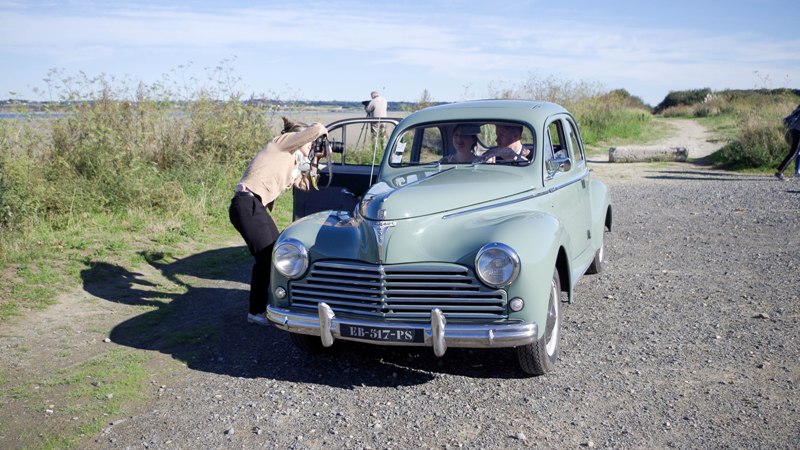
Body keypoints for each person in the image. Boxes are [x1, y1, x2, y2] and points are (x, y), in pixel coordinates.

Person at [229, 117, 327, 325]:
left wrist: (316, 159)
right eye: (308, 142)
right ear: (297, 138)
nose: (310, 145)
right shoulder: (280, 144)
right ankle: (256, 311)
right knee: (266, 256)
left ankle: (268, 304)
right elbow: (317, 128)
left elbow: (305, 184)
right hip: (246, 204)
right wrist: (321, 136)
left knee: (274, 253)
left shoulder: (290, 160)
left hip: (253, 206)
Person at [775, 103, 800, 181]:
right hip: (798, 132)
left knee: (794, 153)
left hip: (794, 131)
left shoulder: (799, 107)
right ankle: (780, 172)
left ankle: (780, 171)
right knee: (793, 153)